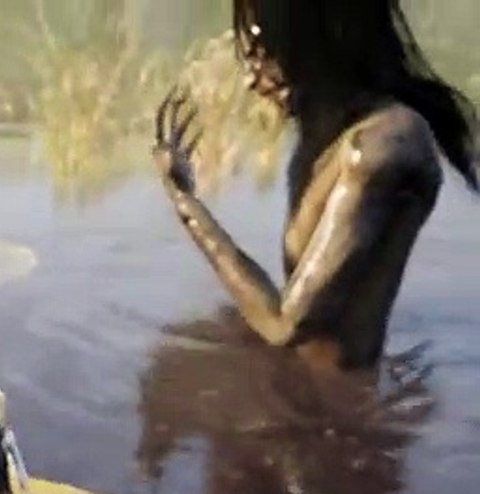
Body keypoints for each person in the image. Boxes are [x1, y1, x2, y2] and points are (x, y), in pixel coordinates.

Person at [153, 0, 477, 370]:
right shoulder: (320, 131)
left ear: (317, 41)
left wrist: (187, 205)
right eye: (250, 55)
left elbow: (286, 325)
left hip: (336, 399)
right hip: (300, 378)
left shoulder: (382, 146)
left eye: (265, 51)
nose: (251, 78)